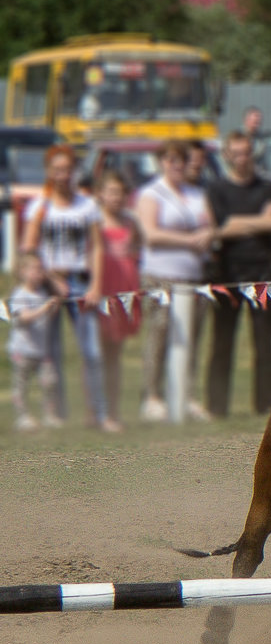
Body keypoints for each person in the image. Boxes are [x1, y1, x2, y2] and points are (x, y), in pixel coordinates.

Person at [21, 144, 118, 431]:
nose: (63, 175)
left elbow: (97, 247)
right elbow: (29, 247)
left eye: (67, 170)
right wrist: (51, 279)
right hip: (47, 286)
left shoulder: (87, 205)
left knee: (91, 351)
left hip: (80, 283)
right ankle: (56, 414)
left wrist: (97, 285)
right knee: (51, 354)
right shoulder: (39, 206)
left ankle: (98, 414)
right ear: (49, 172)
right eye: (57, 170)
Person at [205, 131, 271, 418]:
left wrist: (236, 222)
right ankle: (216, 406)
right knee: (222, 342)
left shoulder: (269, 186)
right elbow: (217, 229)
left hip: (264, 273)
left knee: (264, 343)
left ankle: (264, 406)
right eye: (236, 153)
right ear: (227, 156)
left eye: (246, 152)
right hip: (226, 273)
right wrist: (255, 222)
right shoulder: (216, 189)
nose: (242, 158)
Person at [136, 139, 214, 422]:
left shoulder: (196, 194)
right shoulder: (151, 193)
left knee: (191, 337)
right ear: (161, 163)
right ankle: (152, 396)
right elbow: (151, 233)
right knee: (159, 335)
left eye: (180, 160)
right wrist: (189, 240)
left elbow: (208, 225)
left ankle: (185, 393)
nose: (176, 165)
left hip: (193, 277)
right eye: (170, 160)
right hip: (161, 276)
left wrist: (206, 236)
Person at [97, 170, 142, 430]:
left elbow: (135, 256)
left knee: (114, 355)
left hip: (123, 295)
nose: (115, 198)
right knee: (97, 355)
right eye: (110, 192)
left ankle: (112, 411)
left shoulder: (130, 223)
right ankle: (97, 411)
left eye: (120, 193)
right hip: (102, 296)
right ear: (101, 194)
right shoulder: (96, 223)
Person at [6, 252, 62, 431]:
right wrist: (44, 308)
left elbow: (47, 318)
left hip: (41, 349)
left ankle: (49, 415)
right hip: (22, 350)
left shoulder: (43, 293)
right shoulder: (19, 294)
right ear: (22, 271)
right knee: (21, 385)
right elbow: (24, 318)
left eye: (41, 269)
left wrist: (53, 308)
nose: (40, 273)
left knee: (50, 381)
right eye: (35, 269)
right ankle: (22, 417)